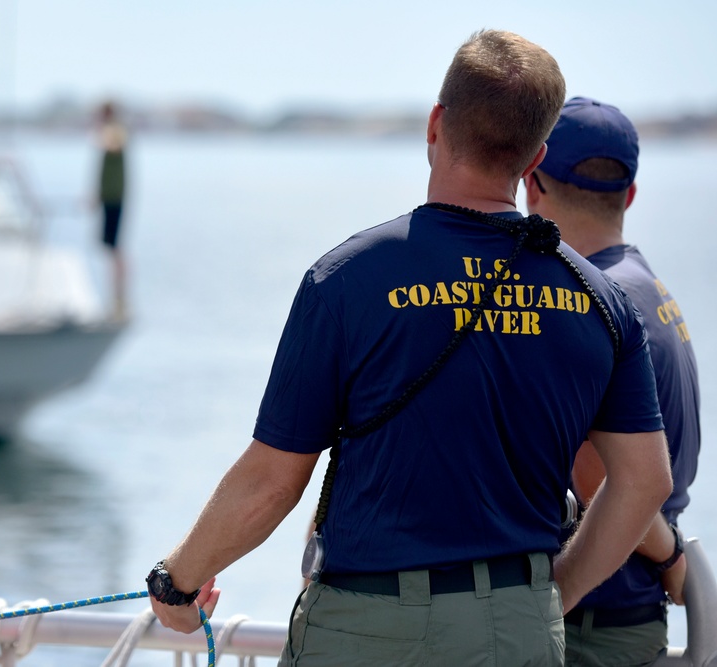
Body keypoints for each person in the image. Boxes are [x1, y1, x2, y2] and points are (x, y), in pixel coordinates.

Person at [145, 29, 672, 666]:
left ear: (435, 123)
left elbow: (272, 482)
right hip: (518, 629)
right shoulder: (602, 303)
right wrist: (555, 593)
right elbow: (644, 482)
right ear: (535, 159)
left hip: (367, 631)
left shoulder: (345, 280)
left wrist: (178, 579)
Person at [524, 97, 701, 667]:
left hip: (587, 629)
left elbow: (604, 476)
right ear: (628, 195)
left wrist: (674, 559)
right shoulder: (651, 292)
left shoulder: (587, 303)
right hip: (632, 620)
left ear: (532, 182)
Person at [95, 100, 129, 319]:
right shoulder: (110, 132)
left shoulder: (116, 131)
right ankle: (115, 295)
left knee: (116, 248)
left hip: (115, 199)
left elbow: (113, 145)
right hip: (108, 198)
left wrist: (104, 134)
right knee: (109, 248)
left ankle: (119, 297)